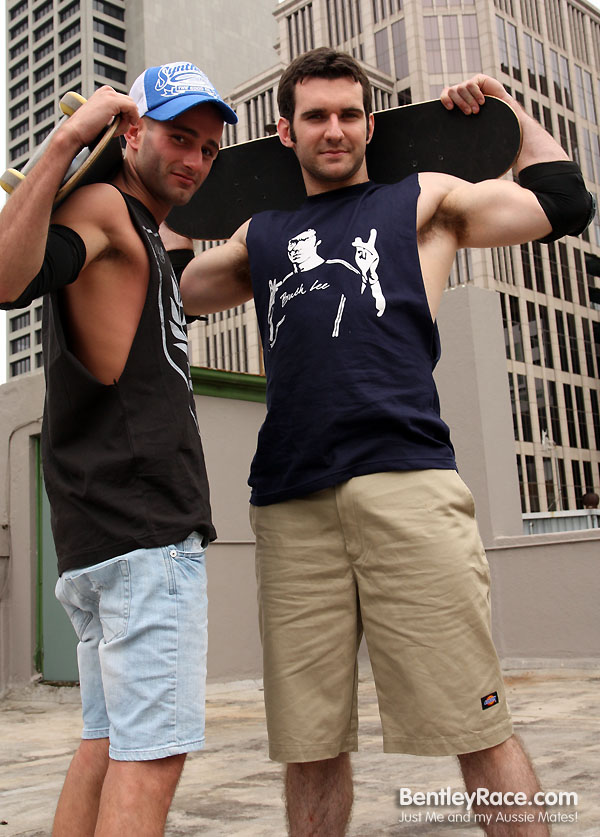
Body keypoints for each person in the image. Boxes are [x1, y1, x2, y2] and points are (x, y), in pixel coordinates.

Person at [179, 48, 593, 836]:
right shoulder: (262, 236)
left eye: (348, 114)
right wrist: (161, 181)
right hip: (292, 504)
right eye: (315, 116)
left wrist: (508, 111)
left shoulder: (424, 201)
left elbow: (563, 203)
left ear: (370, 124)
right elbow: (175, 291)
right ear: (286, 132)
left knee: (478, 724)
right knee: (309, 744)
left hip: (408, 483)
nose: (334, 130)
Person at [0, 62, 237, 837]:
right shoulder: (104, 206)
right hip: (144, 532)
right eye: (179, 137)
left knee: (106, 744)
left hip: (108, 535)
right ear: (131, 133)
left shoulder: (141, 231)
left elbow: (195, 267)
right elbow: (6, 278)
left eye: (207, 148)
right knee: (150, 755)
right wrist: (68, 139)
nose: (194, 159)